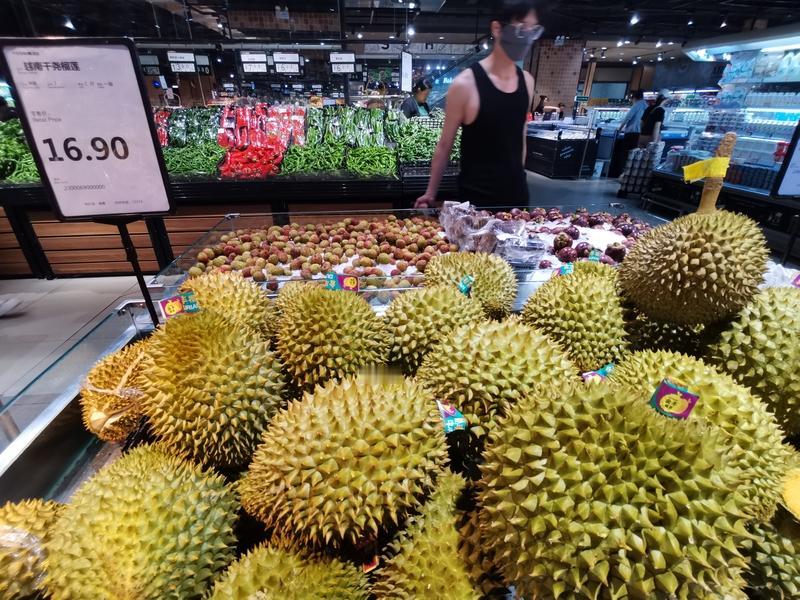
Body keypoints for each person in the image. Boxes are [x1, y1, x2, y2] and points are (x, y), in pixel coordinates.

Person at [415, 0, 541, 209]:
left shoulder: (527, 81)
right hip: (476, 201)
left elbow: (520, 137)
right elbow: (444, 146)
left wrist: (517, 177)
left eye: (533, 30)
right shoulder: (465, 84)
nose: (527, 38)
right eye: (520, 29)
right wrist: (430, 192)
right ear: (497, 29)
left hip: (518, 198)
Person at [609, 89, 646, 176]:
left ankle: (621, 173)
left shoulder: (636, 105)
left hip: (631, 133)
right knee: (634, 154)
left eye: (631, 99)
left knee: (625, 154)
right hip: (640, 134)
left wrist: (619, 129)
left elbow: (627, 118)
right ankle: (630, 174)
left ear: (635, 98)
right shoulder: (646, 105)